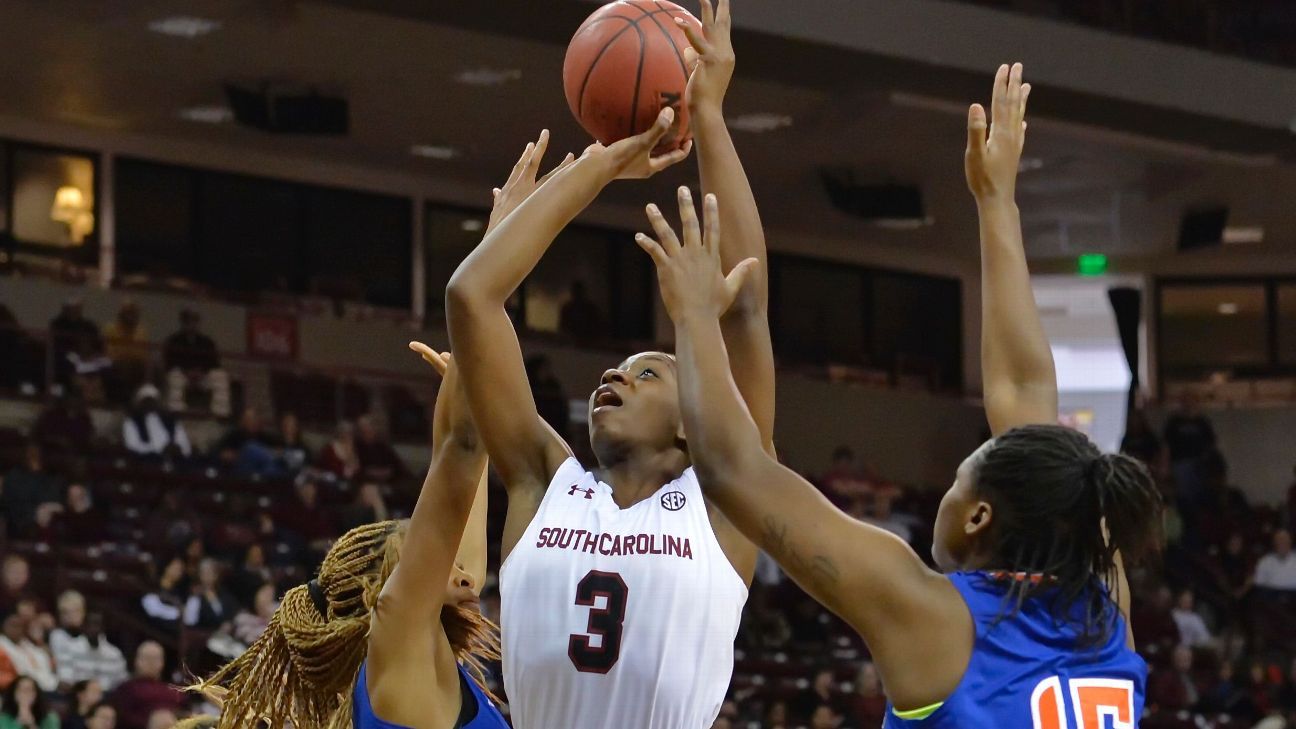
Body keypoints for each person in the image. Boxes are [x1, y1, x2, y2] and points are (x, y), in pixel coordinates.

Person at [644, 64, 1159, 727]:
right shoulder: (1105, 606)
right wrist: (995, 201)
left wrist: (693, 319)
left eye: (957, 481)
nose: (945, 494)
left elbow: (730, 468)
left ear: (978, 517)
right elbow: (1026, 395)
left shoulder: (931, 615)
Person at [445, 5, 772, 724]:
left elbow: (744, 300)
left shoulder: (724, 499)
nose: (613, 376)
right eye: (618, 370)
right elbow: (472, 296)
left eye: (647, 372)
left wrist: (709, 115)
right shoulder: (544, 483)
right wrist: (599, 164)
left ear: (693, 423)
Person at [187, 345, 506, 729]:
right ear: (384, 589)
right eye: (437, 562)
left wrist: (461, 404)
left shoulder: (427, 657)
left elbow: (461, 481)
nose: (463, 575)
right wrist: (471, 380)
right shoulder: (396, 651)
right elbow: (460, 458)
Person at [49, 592, 128, 691]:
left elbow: (123, 683)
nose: (70, 616)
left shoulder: (114, 654)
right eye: (65, 612)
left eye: (75, 611)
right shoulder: (65, 644)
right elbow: (64, 679)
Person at [162, 310, 230, 417]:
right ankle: (176, 412)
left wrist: (202, 372)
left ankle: (220, 413)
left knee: (220, 376)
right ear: (183, 323)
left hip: (203, 376)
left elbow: (214, 363)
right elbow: (170, 362)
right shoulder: (174, 341)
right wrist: (186, 372)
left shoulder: (207, 342)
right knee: (174, 376)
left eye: (194, 321)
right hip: (183, 375)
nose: (191, 324)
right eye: (188, 321)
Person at [110, 642, 185, 729]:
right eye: (147, 658)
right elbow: (122, 717)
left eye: (155, 658)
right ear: (136, 661)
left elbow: (185, 712)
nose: (151, 662)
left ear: (162, 662)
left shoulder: (172, 690)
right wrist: (152, 722)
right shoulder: (126, 689)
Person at [2, 443, 64, 538]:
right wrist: (34, 514)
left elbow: (58, 502)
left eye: (37, 450)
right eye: (30, 450)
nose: (34, 454)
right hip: (21, 529)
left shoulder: (54, 477)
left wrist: (51, 508)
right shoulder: (13, 477)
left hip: (52, 529)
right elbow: (10, 507)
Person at [121, 385, 191, 460]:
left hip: (174, 460)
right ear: (140, 403)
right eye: (146, 401)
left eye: (152, 401)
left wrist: (177, 448)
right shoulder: (131, 422)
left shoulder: (170, 421)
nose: (149, 404)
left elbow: (184, 445)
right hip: (146, 461)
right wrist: (160, 451)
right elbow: (132, 446)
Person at [103, 300, 149, 405]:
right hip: (116, 366)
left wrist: (132, 358)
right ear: (121, 314)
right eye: (128, 313)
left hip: (136, 368)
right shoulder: (111, 329)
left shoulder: (141, 332)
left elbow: (143, 356)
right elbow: (110, 355)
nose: (131, 316)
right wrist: (126, 357)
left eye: (134, 313)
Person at [0, 615, 58, 693]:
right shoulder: (2, 647)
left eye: (20, 626)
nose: (17, 629)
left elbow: (44, 667)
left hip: (44, 687)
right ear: (3, 627)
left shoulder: (29, 646)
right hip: (15, 689)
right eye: (13, 625)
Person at [31, 390, 94, 456]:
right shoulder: (53, 415)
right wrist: (58, 440)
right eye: (71, 399)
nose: (73, 402)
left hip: (75, 452)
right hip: (52, 450)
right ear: (65, 400)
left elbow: (86, 436)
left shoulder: (84, 419)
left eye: (76, 399)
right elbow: (43, 434)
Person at [182, 559, 238, 630]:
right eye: (204, 573)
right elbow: (190, 622)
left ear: (216, 575)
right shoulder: (195, 596)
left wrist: (229, 624)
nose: (207, 576)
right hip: (205, 633)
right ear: (200, 575)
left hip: (226, 632)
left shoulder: (223, 594)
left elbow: (233, 612)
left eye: (210, 573)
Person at [1253, 528, 1296, 595]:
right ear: (1274, 542)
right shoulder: (1264, 561)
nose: (1282, 542)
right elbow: (1258, 586)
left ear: (1290, 541)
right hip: (1271, 599)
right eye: (1279, 539)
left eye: (1285, 539)